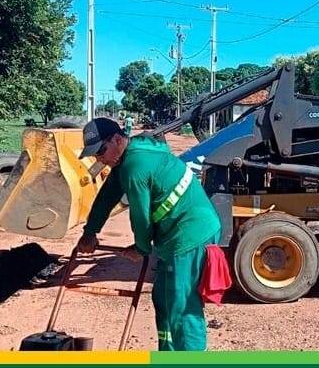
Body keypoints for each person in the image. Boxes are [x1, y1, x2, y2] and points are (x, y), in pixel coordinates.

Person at [75, 117, 221, 351]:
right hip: (175, 234)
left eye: (101, 150)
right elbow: (105, 198)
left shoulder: (135, 166)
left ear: (117, 139)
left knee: (182, 306)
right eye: (95, 155)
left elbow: (140, 218)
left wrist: (141, 249)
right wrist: (89, 232)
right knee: (163, 298)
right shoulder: (125, 160)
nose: (100, 158)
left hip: (190, 234)